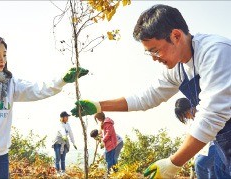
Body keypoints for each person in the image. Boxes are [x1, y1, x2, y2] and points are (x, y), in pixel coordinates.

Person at [71, 4, 231, 178]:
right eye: (149, 53)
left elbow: (212, 115)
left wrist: (173, 163)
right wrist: (99, 106)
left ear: (176, 36)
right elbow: (147, 97)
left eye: (155, 51)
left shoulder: (216, 52)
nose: (154, 58)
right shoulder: (179, 68)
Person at [0, 34, 88, 179]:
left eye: (4, 55)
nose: (2, 60)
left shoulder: (10, 84)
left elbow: (37, 89)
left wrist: (62, 80)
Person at [175, 98, 216, 178]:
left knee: (200, 164)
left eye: (184, 115)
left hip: (220, 144)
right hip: (210, 147)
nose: (186, 118)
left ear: (188, 109)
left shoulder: (202, 113)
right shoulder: (193, 122)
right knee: (212, 172)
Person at [52, 111, 77, 176]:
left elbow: (71, 133)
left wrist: (73, 142)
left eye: (67, 117)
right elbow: (62, 130)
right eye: (66, 116)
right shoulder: (60, 124)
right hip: (58, 142)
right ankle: (58, 171)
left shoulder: (68, 125)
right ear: (63, 117)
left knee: (63, 158)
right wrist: (64, 136)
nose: (67, 118)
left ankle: (63, 171)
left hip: (65, 142)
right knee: (57, 158)